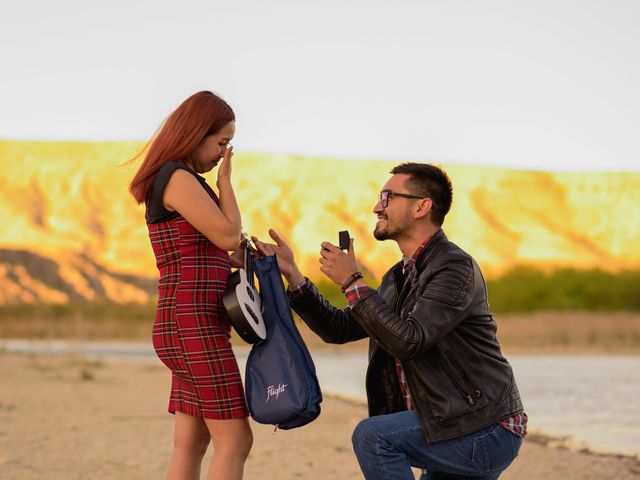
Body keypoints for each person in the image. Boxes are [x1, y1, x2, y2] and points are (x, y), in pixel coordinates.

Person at [253, 162, 526, 480]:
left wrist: (352, 282)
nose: (376, 206)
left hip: (481, 428)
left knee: (374, 437)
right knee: (377, 437)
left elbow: (409, 340)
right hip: (445, 424)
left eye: (387, 196)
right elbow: (340, 328)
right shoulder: (398, 277)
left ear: (422, 206)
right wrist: (295, 277)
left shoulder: (454, 268)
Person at [129, 91, 252, 480]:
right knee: (235, 441)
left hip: (183, 324)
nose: (224, 152)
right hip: (192, 325)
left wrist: (233, 260)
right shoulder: (179, 177)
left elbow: (202, 248)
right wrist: (227, 181)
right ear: (197, 134)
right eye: (221, 142)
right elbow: (230, 235)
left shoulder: (176, 179)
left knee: (192, 443)